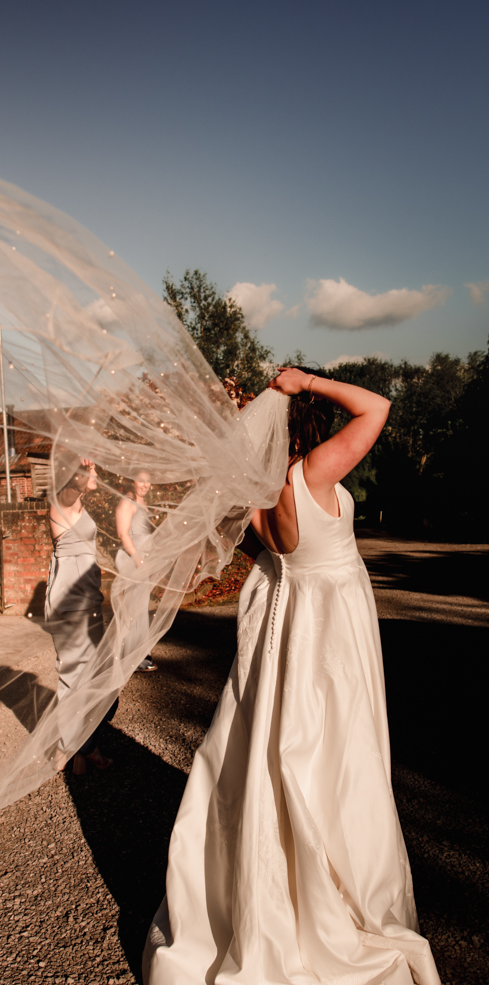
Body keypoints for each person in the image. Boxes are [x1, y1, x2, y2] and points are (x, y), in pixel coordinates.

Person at [143, 367, 440, 985]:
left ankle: (268, 884)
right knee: (340, 749)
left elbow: (265, 555)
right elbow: (378, 408)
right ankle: (333, 896)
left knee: (275, 750)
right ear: (309, 426)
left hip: (288, 619)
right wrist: (304, 381)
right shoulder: (313, 472)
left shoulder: (250, 491)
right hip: (333, 622)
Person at [45, 456, 116, 776]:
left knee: (94, 678)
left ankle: (70, 750)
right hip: (71, 604)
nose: (96, 473)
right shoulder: (63, 504)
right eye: (91, 470)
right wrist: (76, 470)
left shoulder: (80, 507)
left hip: (87, 602)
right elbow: (67, 494)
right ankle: (83, 749)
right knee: (75, 678)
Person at [115, 472, 158, 673]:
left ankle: (139, 653)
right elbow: (123, 533)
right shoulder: (127, 503)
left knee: (141, 608)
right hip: (134, 560)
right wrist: (139, 561)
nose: (145, 484)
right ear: (131, 480)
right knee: (135, 609)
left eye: (148, 481)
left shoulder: (142, 503)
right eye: (141, 480)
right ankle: (135, 658)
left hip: (143, 559)